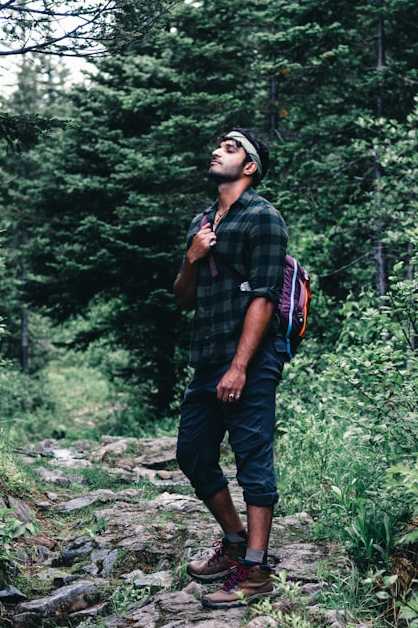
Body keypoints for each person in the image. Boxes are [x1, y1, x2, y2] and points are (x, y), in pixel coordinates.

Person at [172, 128, 288, 609]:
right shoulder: (202, 222)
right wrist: (192, 257)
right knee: (192, 455)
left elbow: (264, 297)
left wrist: (240, 367)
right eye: (218, 144)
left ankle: (256, 572)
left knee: (253, 463)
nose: (218, 150)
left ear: (249, 166)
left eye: (231, 146)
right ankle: (235, 543)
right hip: (206, 359)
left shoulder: (264, 219)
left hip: (251, 362)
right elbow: (183, 298)